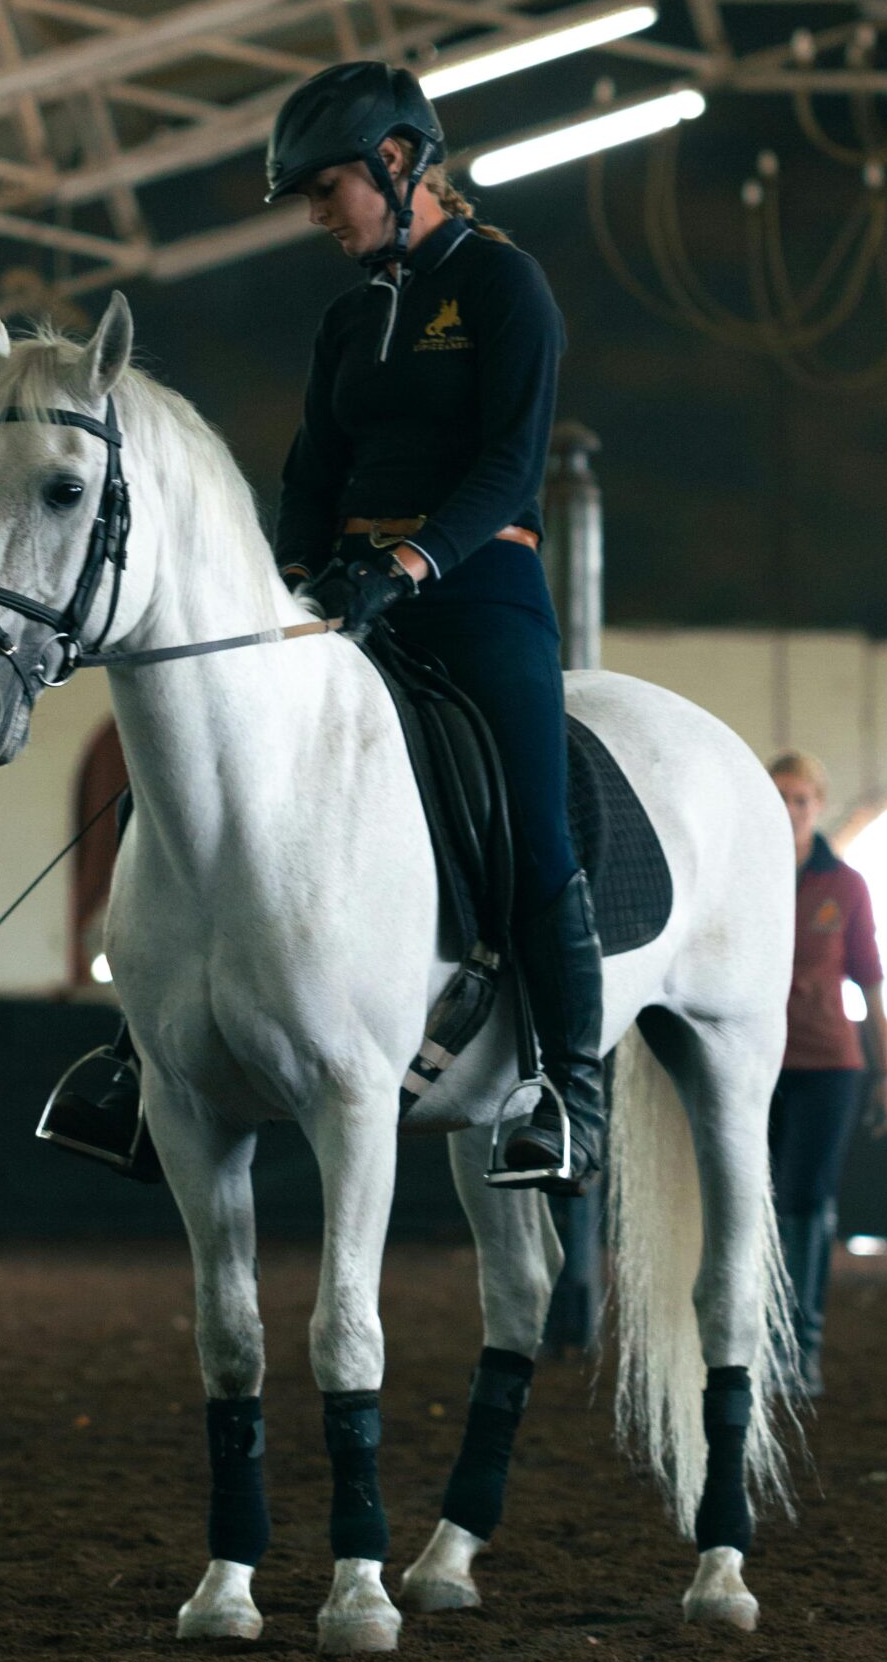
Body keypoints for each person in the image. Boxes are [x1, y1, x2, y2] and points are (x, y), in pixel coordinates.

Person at [40, 60, 600, 1189]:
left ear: (398, 165)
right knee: (190, 769)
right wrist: (290, 579)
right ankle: (138, 1045)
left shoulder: (503, 286)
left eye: (325, 190)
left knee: (534, 816)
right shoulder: (350, 320)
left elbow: (509, 464)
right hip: (347, 598)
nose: (316, 216)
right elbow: (310, 473)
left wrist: (410, 557)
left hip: (479, 589)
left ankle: (569, 1087)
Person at [767, 750, 887, 1394]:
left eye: (801, 799)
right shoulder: (743, 873)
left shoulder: (845, 887)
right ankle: (753, 1337)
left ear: (819, 805)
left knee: (804, 1200)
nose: (790, 809)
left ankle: (800, 1344)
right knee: (755, 1202)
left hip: (826, 1064)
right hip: (752, 1060)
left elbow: (872, 986)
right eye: (780, 796)